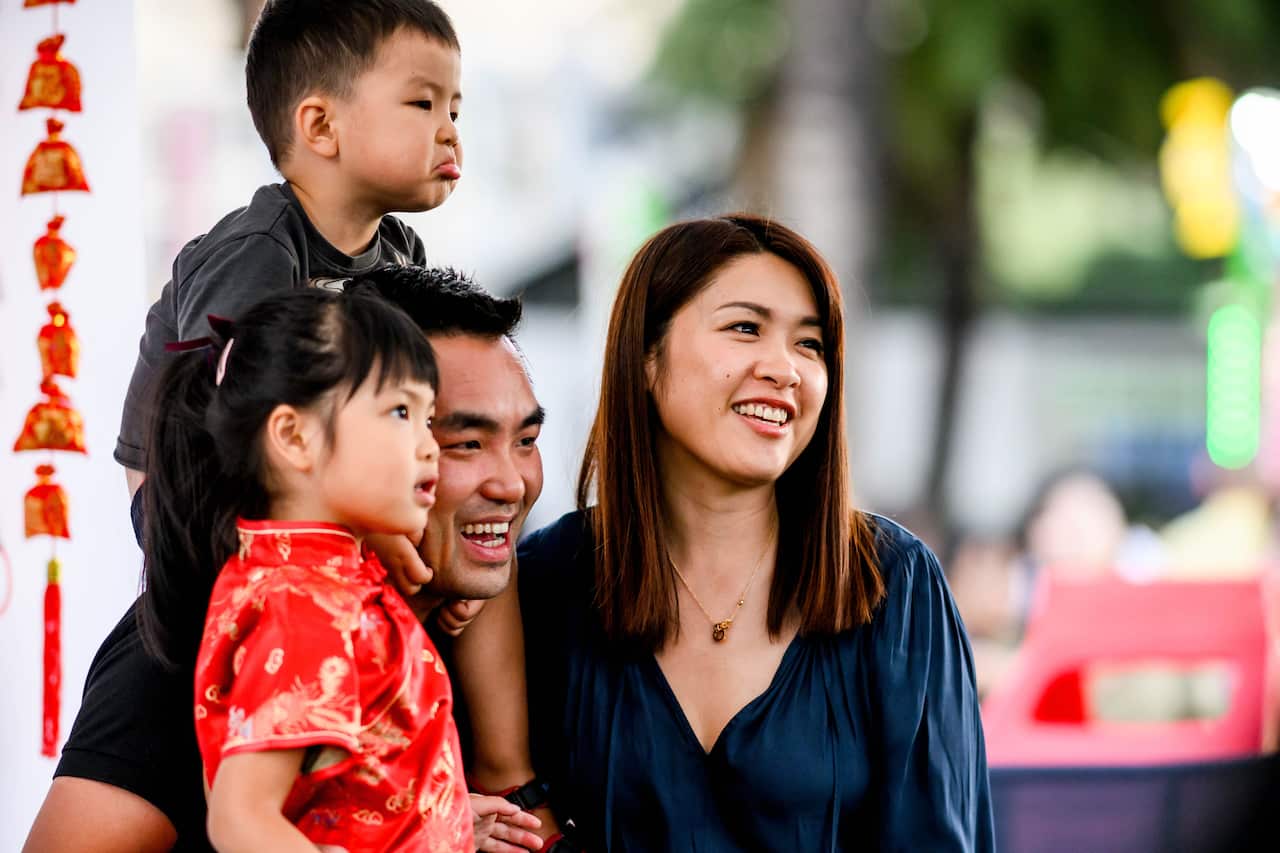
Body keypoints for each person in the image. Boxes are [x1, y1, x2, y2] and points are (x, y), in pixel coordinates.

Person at [24, 270, 548, 853]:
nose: (511, 483)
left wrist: (433, 826)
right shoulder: (285, 613)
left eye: (526, 440)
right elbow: (242, 818)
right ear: (297, 439)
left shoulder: (388, 597)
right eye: (460, 441)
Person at [517, 214, 996, 850]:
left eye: (810, 345)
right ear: (645, 356)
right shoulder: (549, 581)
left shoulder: (894, 586)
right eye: (746, 328)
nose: (786, 369)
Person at [115, 0, 463, 502]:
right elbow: (215, 428)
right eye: (422, 105)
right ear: (321, 126)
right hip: (200, 507)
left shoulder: (402, 252)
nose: (450, 131)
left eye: (454, 109)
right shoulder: (258, 249)